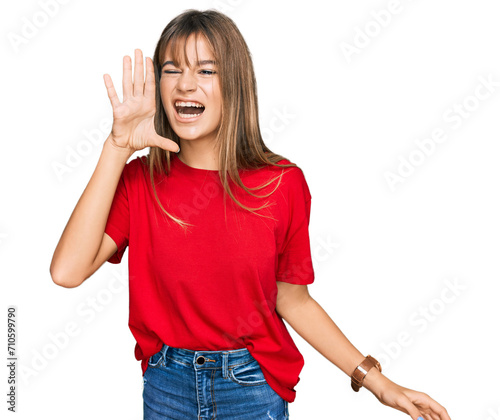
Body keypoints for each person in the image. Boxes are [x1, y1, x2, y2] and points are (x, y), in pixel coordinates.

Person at [50, 9, 452, 420]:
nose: (185, 84)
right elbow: (67, 271)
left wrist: (379, 384)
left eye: (206, 70)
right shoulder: (140, 179)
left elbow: (293, 300)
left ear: (234, 85)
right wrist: (117, 147)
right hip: (166, 387)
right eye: (172, 70)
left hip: (251, 389)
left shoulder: (282, 183)